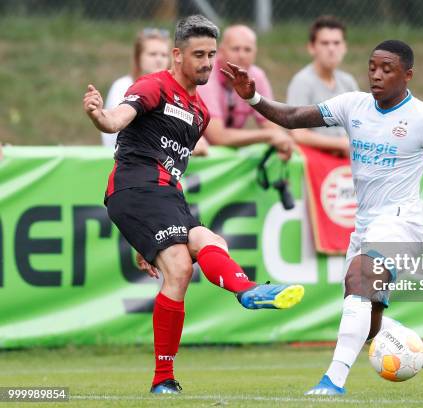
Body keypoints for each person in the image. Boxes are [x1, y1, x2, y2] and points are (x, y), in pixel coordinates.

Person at [222, 39, 423, 396]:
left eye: (387, 69)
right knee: (368, 325)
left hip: (401, 221)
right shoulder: (353, 105)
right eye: (373, 66)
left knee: (360, 279)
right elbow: (294, 118)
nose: (376, 74)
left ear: (408, 75)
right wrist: (253, 98)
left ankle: (333, 381)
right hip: (365, 225)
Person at [82, 15, 304, 395]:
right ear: (176, 54)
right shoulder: (154, 86)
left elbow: (173, 163)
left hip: (167, 194)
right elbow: (119, 118)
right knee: (181, 265)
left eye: (211, 54)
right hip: (136, 187)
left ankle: (164, 380)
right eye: (198, 54)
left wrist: (145, 240)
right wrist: (101, 116)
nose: (205, 62)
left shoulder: (202, 113)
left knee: (209, 243)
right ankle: (246, 290)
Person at [194, 25, 292, 159]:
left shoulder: (257, 76)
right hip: (197, 153)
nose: (242, 55)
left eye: (247, 50)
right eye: (235, 49)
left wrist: (282, 142)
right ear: (221, 51)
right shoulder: (206, 76)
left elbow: (271, 125)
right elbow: (217, 137)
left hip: (227, 156)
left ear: (255, 53)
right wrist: (269, 136)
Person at [286, 15, 358, 156]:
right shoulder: (302, 82)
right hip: (315, 161)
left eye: (337, 43)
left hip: (348, 160)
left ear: (344, 47)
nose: (331, 49)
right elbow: (298, 134)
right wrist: (341, 143)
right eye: (325, 43)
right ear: (312, 48)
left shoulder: (348, 82)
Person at [101, 28, 172, 148]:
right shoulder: (122, 86)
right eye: (152, 54)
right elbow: (114, 130)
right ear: (138, 57)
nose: (159, 59)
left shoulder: (175, 91)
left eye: (164, 55)